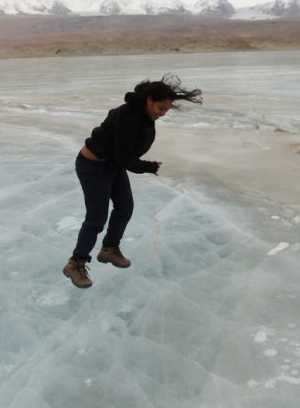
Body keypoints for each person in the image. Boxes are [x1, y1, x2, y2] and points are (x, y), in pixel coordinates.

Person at [63, 75, 203, 288]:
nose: (163, 113)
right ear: (148, 99)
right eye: (160, 108)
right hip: (93, 167)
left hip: (111, 165)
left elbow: (123, 155)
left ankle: (109, 249)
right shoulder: (129, 115)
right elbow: (125, 157)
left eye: (166, 110)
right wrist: (149, 166)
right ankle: (76, 263)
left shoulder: (143, 114)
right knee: (96, 219)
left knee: (125, 207)